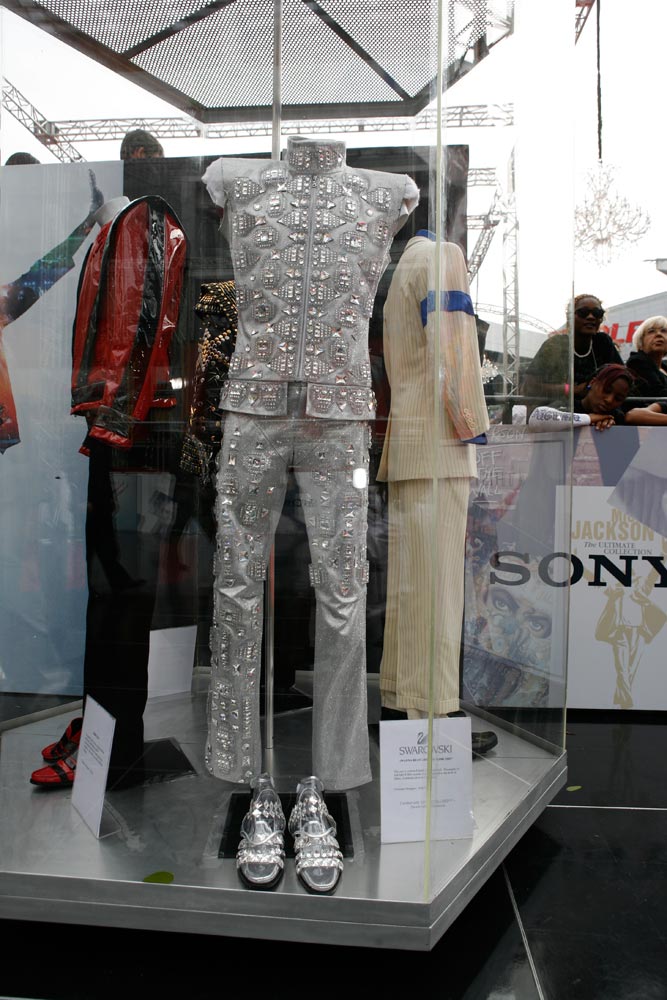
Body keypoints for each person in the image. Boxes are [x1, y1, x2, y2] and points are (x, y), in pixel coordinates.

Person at [522, 294, 623, 407]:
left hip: (595, 410)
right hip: (558, 411)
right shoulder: (555, 345)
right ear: (570, 317)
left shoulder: (603, 342)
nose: (591, 317)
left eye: (597, 313)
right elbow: (529, 387)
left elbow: (623, 378)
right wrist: (571, 389)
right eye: (583, 312)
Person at [528, 363, 667, 430]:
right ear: (593, 383)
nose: (609, 400)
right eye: (606, 390)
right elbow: (538, 417)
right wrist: (589, 419)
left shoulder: (616, 417)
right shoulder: (567, 405)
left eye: (618, 398)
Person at [625, 316, 667, 405]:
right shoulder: (637, 362)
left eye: (663, 331)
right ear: (641, 341)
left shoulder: (664, 366)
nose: (659, 334)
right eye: (651, 331)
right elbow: (659, 393)